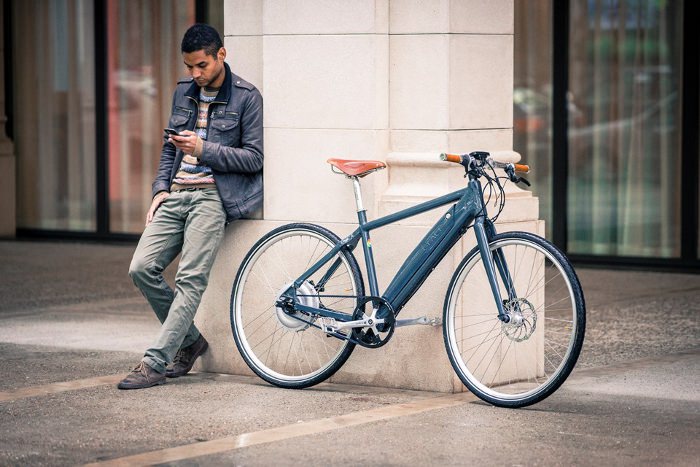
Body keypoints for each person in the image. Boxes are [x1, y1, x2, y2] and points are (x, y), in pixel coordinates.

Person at [118, 23, 263, 390]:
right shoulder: (184, 90)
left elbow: (254, 159)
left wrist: (203, 150)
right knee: (141, 268)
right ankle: (190, 341)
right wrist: (159, 189)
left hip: (214, 197)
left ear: (221, 55)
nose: (195, 75)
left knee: (189, 281)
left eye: (201, 66)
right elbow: (170, 146)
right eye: (189, 67)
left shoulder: (247, 97)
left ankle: (155, 362)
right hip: (176, 193)